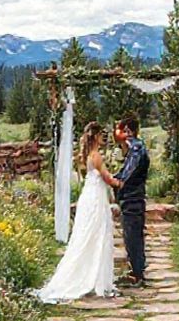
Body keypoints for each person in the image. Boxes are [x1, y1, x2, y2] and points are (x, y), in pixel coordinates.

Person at [37, 122, 123, 303]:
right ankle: (95, 277)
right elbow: (107, 178)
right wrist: (119, 183)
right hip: (96, 198)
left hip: (89, 195)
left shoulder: (84, 156)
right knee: (98, 233)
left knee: (87, 234)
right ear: (96, 136)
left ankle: (89, 273)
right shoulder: (96, 156)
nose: (104, 138)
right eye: (101, 135)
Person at [113, 115, 149, 287]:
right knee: (131, 235)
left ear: (131, 131)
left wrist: (117, 183)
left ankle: (138, 273)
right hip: (131, 197)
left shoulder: (136, 149)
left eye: (125, 131)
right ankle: (136, 270)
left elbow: (128, 174)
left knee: (132, 235)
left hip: (133, 197)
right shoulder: (132, 149)